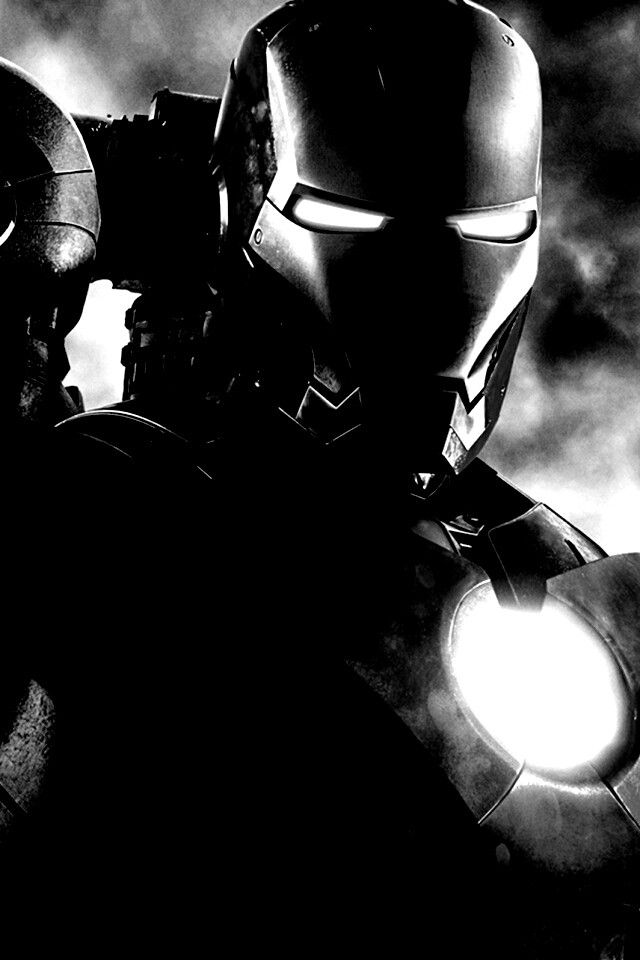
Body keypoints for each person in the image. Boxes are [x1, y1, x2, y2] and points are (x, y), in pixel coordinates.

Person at [2, 0, 638, 954]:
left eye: (483, 224)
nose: (425, 273)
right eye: (350, 216)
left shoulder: (521, 542)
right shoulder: (110, 487)